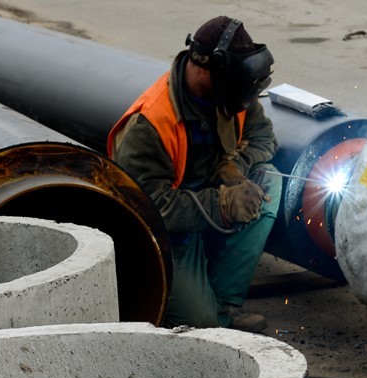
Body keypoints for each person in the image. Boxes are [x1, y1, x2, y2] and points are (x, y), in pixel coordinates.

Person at [108, 15, 281, 333]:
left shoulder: (232, 91)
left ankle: (223, 306)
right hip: (167, 232)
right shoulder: (150, 125)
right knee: (200, 324)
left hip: (207, 202)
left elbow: (263, 138)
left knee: (269, 179)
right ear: (207, 69)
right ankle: (207, 316)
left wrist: (234, 166)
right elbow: (148, 208)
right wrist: (223, 205)